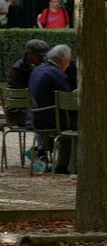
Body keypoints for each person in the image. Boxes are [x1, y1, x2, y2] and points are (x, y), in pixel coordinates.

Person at [27, 43, 75, 173]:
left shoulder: (38, 70)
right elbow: (69, 102)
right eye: (69, 60)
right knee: (80, 124)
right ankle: (64, 165)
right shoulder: (57, 74)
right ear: (64, 60)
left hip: (35, 116)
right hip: (49, 119)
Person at [6, 39, 49, 125]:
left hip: (31, 109)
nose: (42, 58)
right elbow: (21, 95)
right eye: (39, 56)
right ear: (30, 54)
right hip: (20, 112)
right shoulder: (18, 69)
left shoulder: (40, 65)